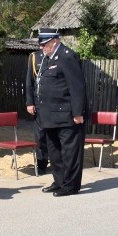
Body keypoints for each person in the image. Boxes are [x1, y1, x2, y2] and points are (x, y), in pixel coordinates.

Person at [34, 28, 88, 197]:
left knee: (70, 152)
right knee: (55, 151)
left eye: (44, 44)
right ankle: (59, 181)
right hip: (50, 116)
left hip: (66, 115)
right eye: (41, 45)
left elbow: (77, 87)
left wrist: (78, 113)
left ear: (55, 41)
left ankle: (71, 185)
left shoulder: (67, 56)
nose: (42, 48)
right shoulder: (47, 59)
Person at [25, 46, 49, 174]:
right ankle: (42, 163)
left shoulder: (59, 56)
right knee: (40, 135)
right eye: (42, 43)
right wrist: (30, 102)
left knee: (54, 134)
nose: (43, 45)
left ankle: (56, 160)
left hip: (54, 104)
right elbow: (29, 81)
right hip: (39, 103)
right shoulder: (34, 57)